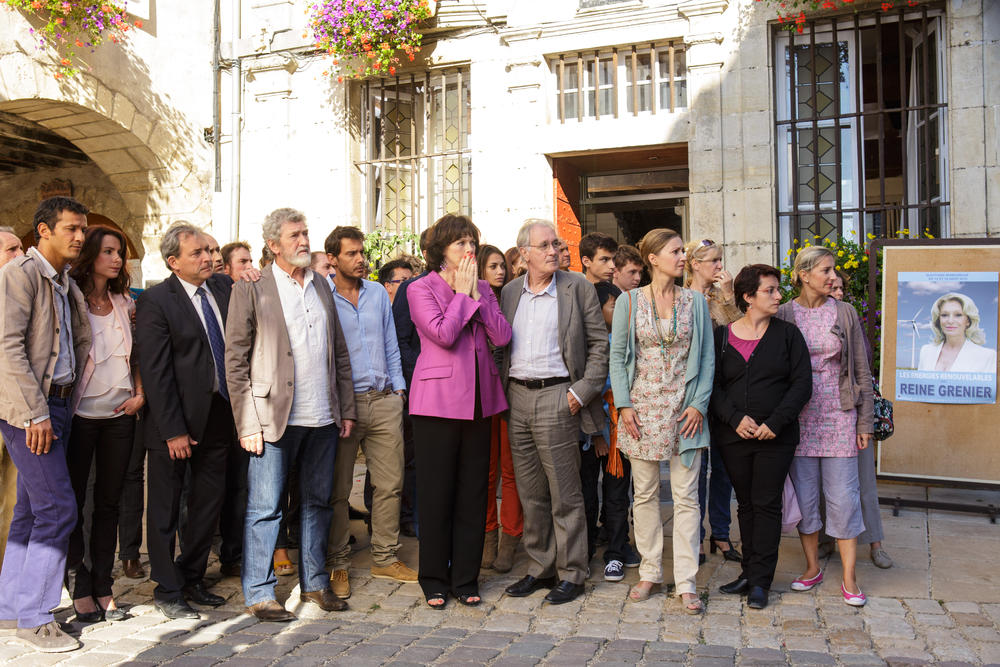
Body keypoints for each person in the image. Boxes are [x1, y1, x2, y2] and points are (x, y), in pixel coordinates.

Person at [226, 208, 355, 621]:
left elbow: (339, 352)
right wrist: (247, 423)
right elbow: (236, 359)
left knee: (318, 503)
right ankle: (261, 593)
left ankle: (315, 584)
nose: (304, 241)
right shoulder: (253, 286)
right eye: (295, 235)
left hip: (322, 417)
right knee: (266, 507)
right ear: (273, 245)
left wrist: (346, 407)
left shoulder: (321, 284)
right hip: (272, 419)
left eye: (305, 233)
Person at [500, 219, 608, 606]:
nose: (552, 251)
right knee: (531, 492)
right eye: (544, 245)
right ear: (524, 253)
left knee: (565, 492)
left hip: (559, 396)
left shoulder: (576, 287)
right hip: (518, 397)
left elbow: (599, 344)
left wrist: (580, 392)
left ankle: (573, 572)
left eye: (555, 243)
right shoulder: (510, 292)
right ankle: (541, 567)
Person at [0, 197, 90, 653]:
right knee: (58, 510)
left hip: (57, 408)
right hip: (30, 411)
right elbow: (7, 348)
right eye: (71, 228)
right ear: (44, 230)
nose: (79, 236)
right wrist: (35, 412)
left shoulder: (63, 283)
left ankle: (11, 609)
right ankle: (36, 618)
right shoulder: (20, 275)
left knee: (32, 511)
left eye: (83, 229)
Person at [407, 216, 512, 609]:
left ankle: (466, 577)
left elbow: (502, 336)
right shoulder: (420, 288)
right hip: (436, 404)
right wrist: (464, 297)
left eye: (471, 241)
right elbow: (443, 334)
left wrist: (479, 296)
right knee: (437, 494)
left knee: (474, 493)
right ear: (441, 252)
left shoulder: (484, 288)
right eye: (459, 243)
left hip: (481, 401)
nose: (469, 249)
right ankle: (433, 578)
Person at [608, 228, 714, 613]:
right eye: (675, 251)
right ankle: (650, 570)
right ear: (653, 258)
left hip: (685, 413)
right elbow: (618, 357)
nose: (682, 257)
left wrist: (699, 404)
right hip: (641, 411)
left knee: (687, 498)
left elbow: (705, 361)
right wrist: (625, 406)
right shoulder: (629, 302)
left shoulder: (695, 303)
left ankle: (686, 580)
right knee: (646, 494)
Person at [136, 222, 236, 619]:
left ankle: (193, 576)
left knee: (207, 503)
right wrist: (173, 429)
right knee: (164, 507)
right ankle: (168, 587)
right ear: (174, 261)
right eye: (197, 253)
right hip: (174, 423)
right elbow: (156, 371)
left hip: (219, 414)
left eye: (209, 252)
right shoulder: (157, 300)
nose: (208, 258)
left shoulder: (223, 289)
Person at [776, 245, 873, 607]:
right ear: (804, 275)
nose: (834, 277)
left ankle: (849, 577)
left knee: (844, 498)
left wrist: (864, 420)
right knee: (807, 497)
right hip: (799, 419)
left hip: (839, 415)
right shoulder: (784, 313)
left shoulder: (844, 312)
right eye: (826, 271)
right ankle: (813, 567)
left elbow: (862, 369)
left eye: (834, 270)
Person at [710, 264, 812, 609]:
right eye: (770, 290)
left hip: (775, 437)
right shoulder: (721, 337)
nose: (778, 296)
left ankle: (761, 581)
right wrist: (735, 419)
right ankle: (748, 571)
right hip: (734, 436)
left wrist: (777, 422)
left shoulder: (787, 335)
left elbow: (802, 385)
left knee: (767, 504)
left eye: (777, 290)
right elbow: (713, 386)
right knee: (746, 504)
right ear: (748, 296)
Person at [326, 225, 416, 601]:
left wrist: (398, 389)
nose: (361, 259)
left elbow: (391, 342)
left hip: (383, 400)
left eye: (362, 252)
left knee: (390, 484)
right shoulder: (321, 295)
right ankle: (337, 563)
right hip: (344, 404)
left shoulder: (379, 292)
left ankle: (384, 557)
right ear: (332, 259)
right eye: (351, 254)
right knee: (339, 489)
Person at [64, 227, 144, 623]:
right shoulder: (70, 297)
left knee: (110, 503)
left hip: (119, 416)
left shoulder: (124, 301)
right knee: (76, 503)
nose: (117, 259)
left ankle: (104, 584)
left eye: (121, 253)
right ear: (91, 255)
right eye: (109, 252)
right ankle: (79, 583)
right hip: (79, 416)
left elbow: (138, 354)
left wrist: (140, 394)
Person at [823, 270, 893, 569]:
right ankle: (830, 538)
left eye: (840, 288)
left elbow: (862, 368)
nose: (837, 292)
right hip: (826, 413)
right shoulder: (814, 319)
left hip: (855, 409)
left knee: (863, 482)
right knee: (827, 484)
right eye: (833, 288)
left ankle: (876, 544)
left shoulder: (849, 320)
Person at [684, 238, 742, 565]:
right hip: (694, 394)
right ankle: (694, 537)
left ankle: (720, 532)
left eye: (721, 260)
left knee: (723, 469)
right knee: (695, 469)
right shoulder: (683, 299)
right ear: (695, 264)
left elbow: (742, 334)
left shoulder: (723, 299)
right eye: (713, 261)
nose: (719, 266)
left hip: (726, 393)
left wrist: (731, 296)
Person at [476, 245, 523, 572]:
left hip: (508, 394)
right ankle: (487, 535)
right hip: (479, 396)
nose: (501, 271)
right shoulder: (469, 298)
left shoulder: (511, 298)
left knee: (511, 470)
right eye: (493, 266)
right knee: (485, 471)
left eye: (502, 266)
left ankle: (511, 537)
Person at [392, 227, 433, 538]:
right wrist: (415, 375)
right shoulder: (412, 288)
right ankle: (419, 520)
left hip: (457, 391)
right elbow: (400, 337)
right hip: (421, 386)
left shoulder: (471, 287)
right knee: (418, 458)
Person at [0, 226, 24, 567]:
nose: (21, 256)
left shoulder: (22, 297)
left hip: (18, 414)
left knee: (14, 502)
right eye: (12, 250)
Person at [917, 293, 997, 373]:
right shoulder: (926, 351)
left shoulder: (987, 356)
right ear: (938, 320)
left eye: (958, 315)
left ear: (968, 321)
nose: (950, 321)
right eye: (944, 315)